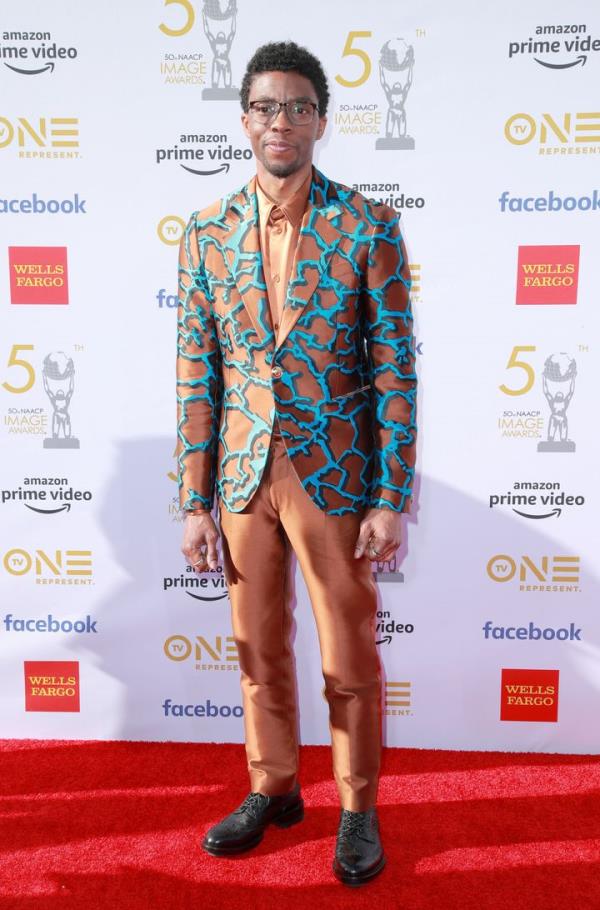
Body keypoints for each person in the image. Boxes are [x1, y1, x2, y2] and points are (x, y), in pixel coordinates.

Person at [176, 40, 417, 886]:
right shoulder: (204, 234)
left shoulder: (368, 224)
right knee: (255, 647)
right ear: (244, 119)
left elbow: (394, 367)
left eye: (299, 107)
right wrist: (192, 499)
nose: (283, 121)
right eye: (267, 107)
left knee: (349, 656)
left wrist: (391, 494)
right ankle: (274, 788)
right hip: (242, 475)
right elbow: (196, 372)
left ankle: (357, 806)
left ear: (322, 119)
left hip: (338, 475)